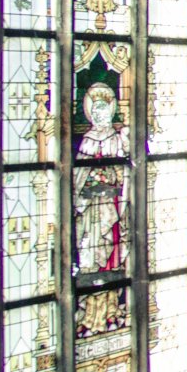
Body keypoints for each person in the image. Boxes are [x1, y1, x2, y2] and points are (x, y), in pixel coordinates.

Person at [74, 82, 131, 275]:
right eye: (97, 113)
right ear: (92, 115)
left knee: (110, 230)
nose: (101, 116)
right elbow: (79, 173)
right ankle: (90, 266)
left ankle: (113, 265)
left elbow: (123, 168)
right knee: (92, 234)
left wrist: (113, 174)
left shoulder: (115, 138)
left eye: (105, 112)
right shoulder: (87, 139)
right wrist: (90, 178)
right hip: (91, 200)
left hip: (110, 198)